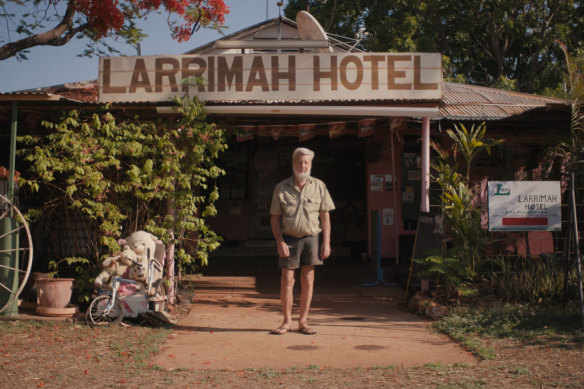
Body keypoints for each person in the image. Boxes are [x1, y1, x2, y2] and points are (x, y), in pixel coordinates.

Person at [269, 147, 335, 335]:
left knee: (307, 280)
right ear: (293, 164)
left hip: (311, 239)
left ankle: (303, 321)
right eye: (300, 162)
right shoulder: (281, 188)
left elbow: (325, 216)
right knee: (287, 280)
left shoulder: (319, 186)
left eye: (306, 162)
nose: (303, 165)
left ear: (311, 165)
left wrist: (326, 242)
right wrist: (279, 241)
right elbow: (274, 217)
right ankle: (286, 322)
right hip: (288, 238)